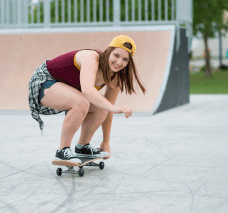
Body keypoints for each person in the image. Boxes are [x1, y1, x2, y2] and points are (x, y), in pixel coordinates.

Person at [28, 35, 146, 163]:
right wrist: (113, 108)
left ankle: (82, 147)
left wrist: (106, 141)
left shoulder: (116, 77)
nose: (119, 62)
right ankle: (62, 150)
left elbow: (108, 108)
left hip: (68, 90)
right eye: (116, 55)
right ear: (108, 51)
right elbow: (88, 90)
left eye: (125, 59)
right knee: (82, 101)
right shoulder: (92, 58)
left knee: (102, 107)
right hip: (45, 81)